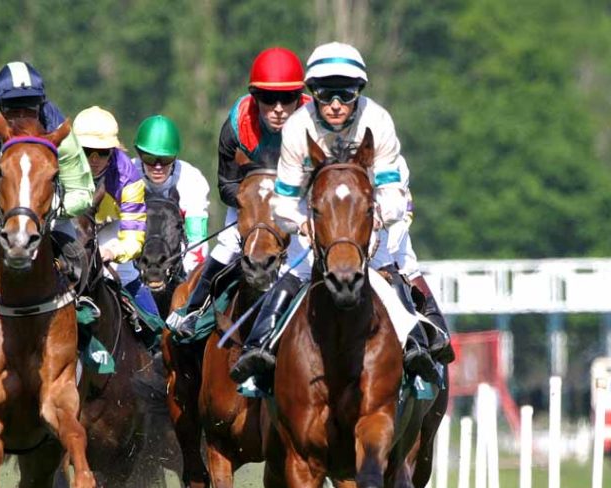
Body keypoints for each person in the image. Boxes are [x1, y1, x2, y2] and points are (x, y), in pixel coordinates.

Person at [229, 41, 453, 384]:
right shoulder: (297, 128)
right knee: (296, 269)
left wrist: (374, 222)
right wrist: (303, 225)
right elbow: (283, 203)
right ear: (312, 94)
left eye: (345, 96)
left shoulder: (378, 121)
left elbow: (393, 194)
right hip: (318, 215)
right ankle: (259, 347)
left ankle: (420, 344)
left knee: (390, 268)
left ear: (358, 93)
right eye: (325, 95)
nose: (335, 105)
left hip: (372, 212)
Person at [0, 62, 95, 333]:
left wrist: (49, 210)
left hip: (43, 193)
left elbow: (82, 190)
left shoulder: (58, 128)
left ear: (41, 104)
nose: (22, 115)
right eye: (12, 108)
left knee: (76, 250)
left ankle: (86, 305)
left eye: (30, 107)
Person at [167, 47, 310, 336]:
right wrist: (258, 206)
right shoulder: (236, 126)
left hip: (297, 202)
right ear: (255, 98)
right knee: (228, 245)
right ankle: (194, 310)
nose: (278, 108)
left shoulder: (314, 124)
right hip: (251, 203)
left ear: (299, 97)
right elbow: (226, 186)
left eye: (287, 98)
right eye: (268, 99)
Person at [71, 106, 160, 317]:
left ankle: (155, 331)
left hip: (109, 228)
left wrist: (114, 252)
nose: (94, 159)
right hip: (71, 224)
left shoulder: (128, 177)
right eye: (87, 151)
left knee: (126, 273)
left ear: (113, 149)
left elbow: (133, 235)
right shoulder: (59, 164)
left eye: (102, 152)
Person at [131, 115, 210, 274]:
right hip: (134, 250)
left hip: (175, 255)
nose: (158, 167)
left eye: (166, 159)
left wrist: (186, 278)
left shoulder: (192, 179)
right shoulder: (127, 174)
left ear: (175, 156)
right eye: (149, 158)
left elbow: (196, 237)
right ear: (139, 155)